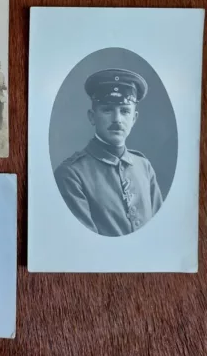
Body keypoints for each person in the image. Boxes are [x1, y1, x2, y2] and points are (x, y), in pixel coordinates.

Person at [54, 69, 163, 237]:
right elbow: (84, 243)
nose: (117, 119)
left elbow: (160, 232)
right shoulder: (71, 174)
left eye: (125, 111)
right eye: (107, 110)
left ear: (134, 118)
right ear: (92, 117)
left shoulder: (144, 167)